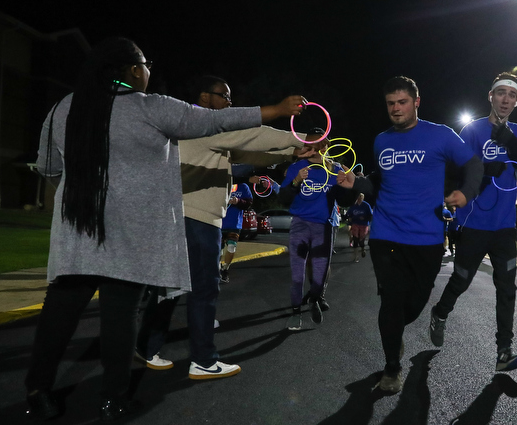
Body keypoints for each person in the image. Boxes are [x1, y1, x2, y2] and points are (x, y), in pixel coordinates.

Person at [25, 38, 305, 422]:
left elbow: (48, 168)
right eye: (145, 64)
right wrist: (274, 110)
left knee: (58, 316)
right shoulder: (151, 108)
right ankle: (113, 399)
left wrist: (82, 200)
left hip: (77, 233)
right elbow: (215, 122)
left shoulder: (64, 108)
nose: (148, 70)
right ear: (132, 70)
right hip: (131, 236)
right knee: (120, 318)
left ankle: (38, 391)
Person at [134, 75, 307, 381]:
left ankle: (146, 346)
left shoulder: (194, 129)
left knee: (170, 288)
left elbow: (247, 152)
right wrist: (302, 140)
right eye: (224, 96)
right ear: (204, 97)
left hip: (178, 215)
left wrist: (292, 152)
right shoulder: (201, 122)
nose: (230, 103)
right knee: (204, 290)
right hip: (198, 218)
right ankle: (203, 359)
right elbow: (252, 136)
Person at [336, 76, 483, 393]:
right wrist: (357, 185)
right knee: (390, 300)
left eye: (402, 102)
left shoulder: (440, 135)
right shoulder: (381, 141)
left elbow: (474, 164)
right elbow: (378, 182)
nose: (395, 108)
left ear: (417, 102)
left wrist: (466, 193)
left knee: (413, 305)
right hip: (386, 234)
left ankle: (395, 334)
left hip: (427, 237)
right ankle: (391, 368)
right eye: (390, 103)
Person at [428, 72, 517, 372]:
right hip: (474, 223)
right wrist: (488, 169)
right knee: (461, 280)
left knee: (507, 288)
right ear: (490, 96)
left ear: (516, 101)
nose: (505, 99)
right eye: (500, 93)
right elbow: (458, 170)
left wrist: (511, 144)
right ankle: (440, 312)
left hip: (504, 226)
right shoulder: (472, 130)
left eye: (511, 95)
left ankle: (504, 351)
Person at [280, 128, 349, 330]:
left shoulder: (335, 169)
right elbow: (283, 198)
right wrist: (295, 181)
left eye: (322, 144)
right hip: (300, 224)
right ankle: (295, 313)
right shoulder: (297, 167)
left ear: (327, 146)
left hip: (324, 227)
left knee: (319, 275)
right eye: (314, 144)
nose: (319, 148)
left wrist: (346, 185)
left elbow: (345, 201)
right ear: (307, 146)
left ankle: (315, 298)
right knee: (297, 274)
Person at [219, 182, 253, 281]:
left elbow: (249, 203)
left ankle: (225, 269)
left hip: (234, 224)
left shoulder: (243, 186)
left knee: (231, 246)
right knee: (218, 249)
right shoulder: (221, 182)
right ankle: (218, 269)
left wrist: (238, 201)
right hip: (219, 222)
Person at [346, 193, 373, 262]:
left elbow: (370, 215)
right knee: (355, 239)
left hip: (363, 224)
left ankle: (363, 248)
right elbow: (348, 213)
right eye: (358, 198)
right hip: (355, 223)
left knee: (361, 240)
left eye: (360, 198)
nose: (359, 199)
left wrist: (364, 218)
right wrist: (349, 218)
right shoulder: (354, 205)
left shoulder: (366, 205)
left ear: (363, 198)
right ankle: (356, 256)